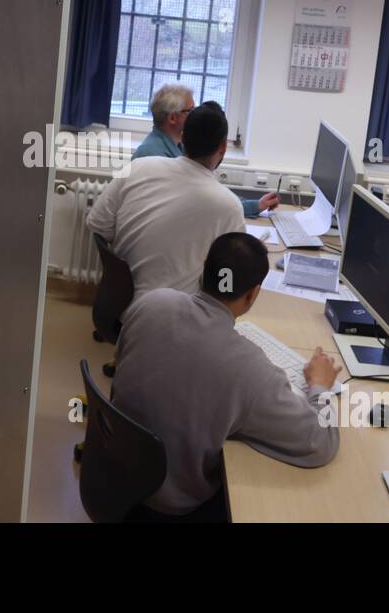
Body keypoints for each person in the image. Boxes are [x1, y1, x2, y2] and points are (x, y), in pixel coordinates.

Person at [111, 232, 341, 519]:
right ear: (253, 293)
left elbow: (122, 364)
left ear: (205, 266)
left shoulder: (150, 303)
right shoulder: (251, 369)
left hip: (114, 473)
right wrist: (321, 387)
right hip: (169, 507)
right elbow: (321, 442)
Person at [87, 102, 245, 298]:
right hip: (169, 318)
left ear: (183, 136)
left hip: (116, 303)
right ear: (223, 148)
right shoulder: (229, 205)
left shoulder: (138, 166)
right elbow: (227, 279)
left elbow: (96, 223)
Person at [131, 84, 277, 218]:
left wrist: (254, 204)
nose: (196, 114)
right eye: (190, 110)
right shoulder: (151, 155)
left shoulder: (180, 146)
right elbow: (199, 198)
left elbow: (209, 189)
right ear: (172, 118)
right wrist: (253, 206)